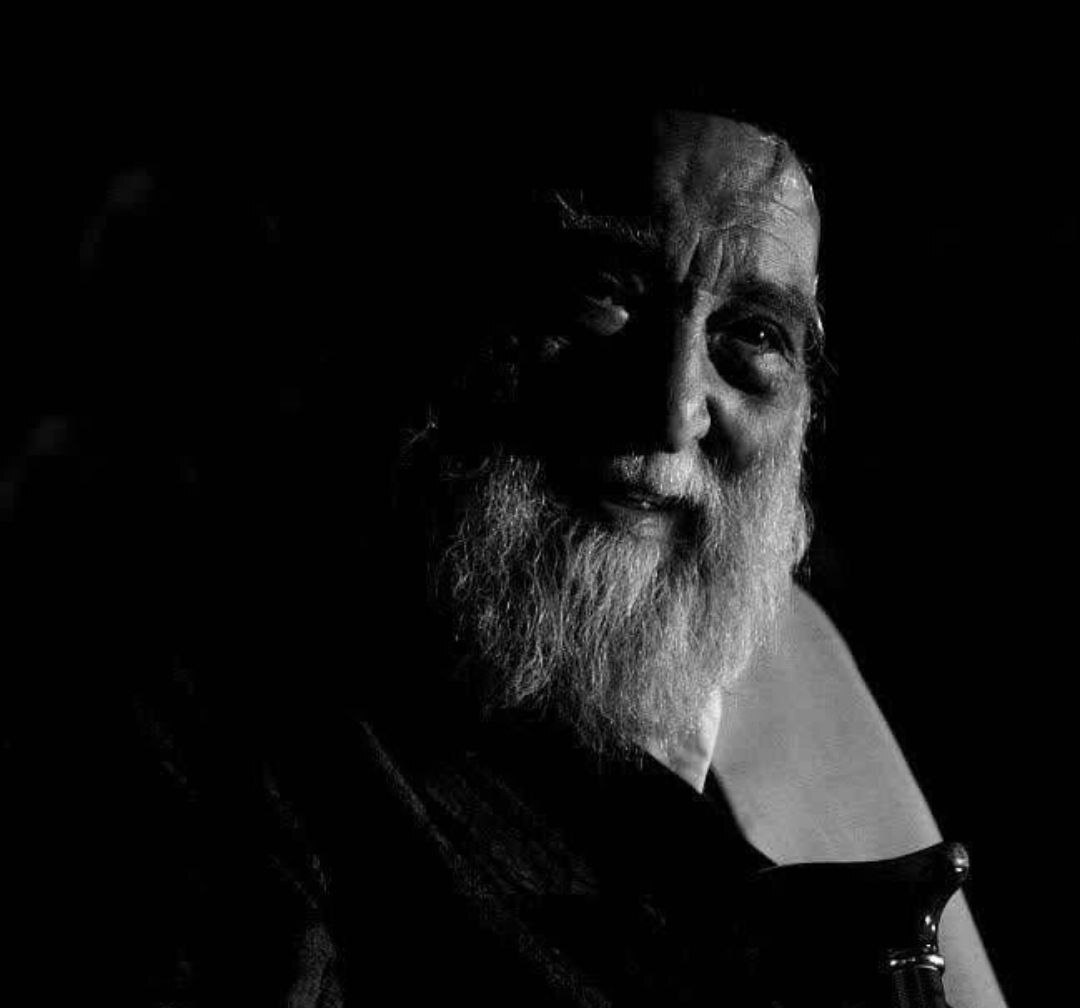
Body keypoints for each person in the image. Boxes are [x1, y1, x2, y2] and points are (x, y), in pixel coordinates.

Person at [4, 101, 1007, 1006]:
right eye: (604, 293)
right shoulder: (218, 714)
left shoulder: (795, 656)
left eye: (751, 334)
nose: (672, 409)